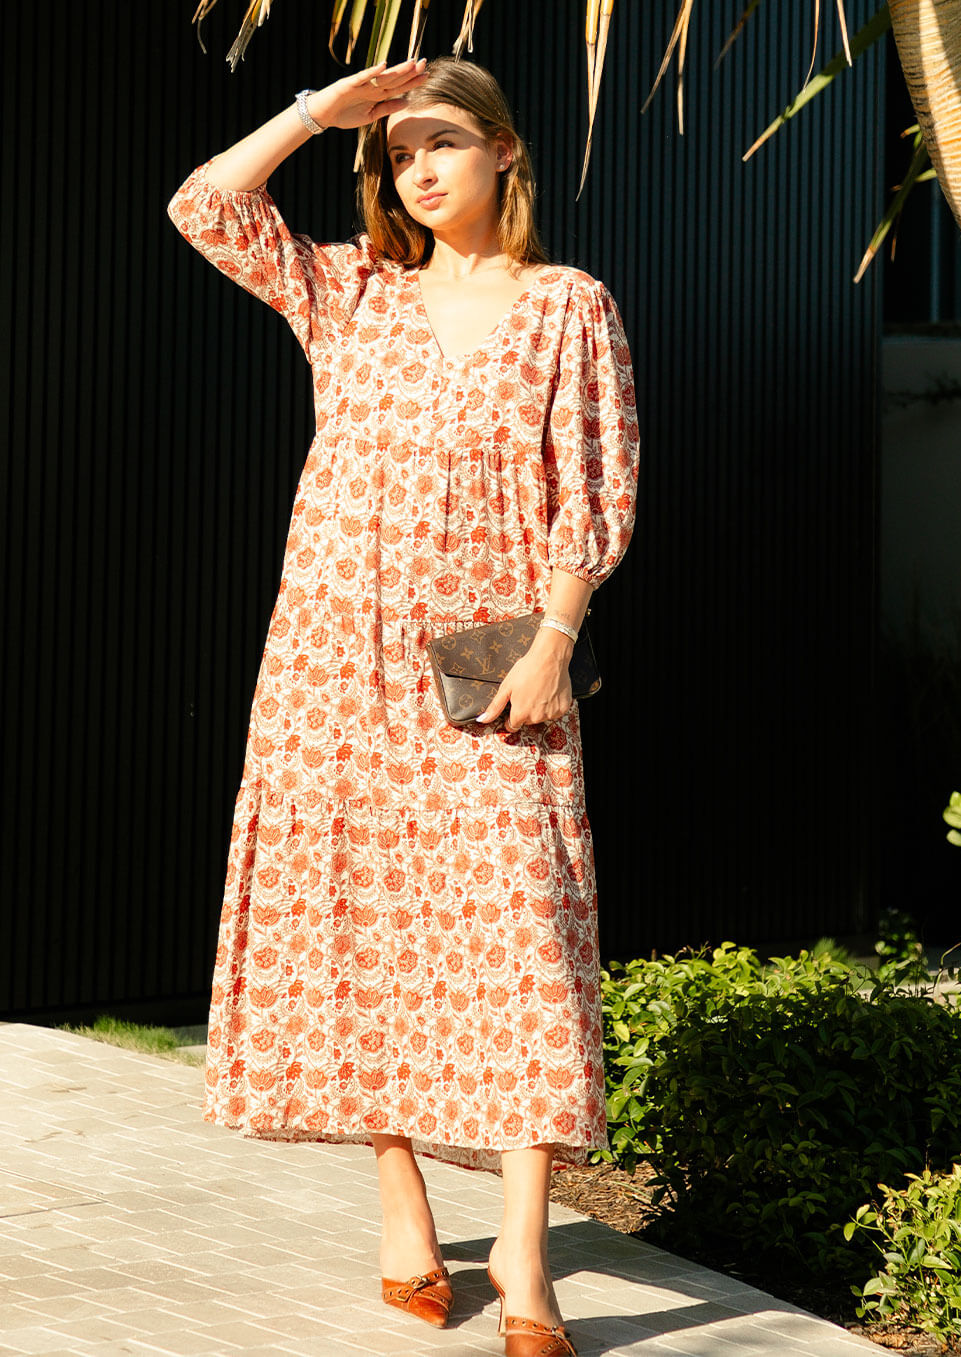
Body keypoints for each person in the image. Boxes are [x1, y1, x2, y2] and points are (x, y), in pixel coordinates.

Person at [168, 53, 639, 1357]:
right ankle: (399, 1194)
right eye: (398, 155)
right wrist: (324, 113)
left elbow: (591, 488)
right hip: (333, 663)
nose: (417, 170)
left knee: (522, 936)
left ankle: (532, 1256)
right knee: (366, 927)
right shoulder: (352, 291)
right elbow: (204, 204)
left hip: (491, 662)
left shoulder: (566, 307)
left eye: (441, 143)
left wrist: (555, 636)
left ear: (503, 151)